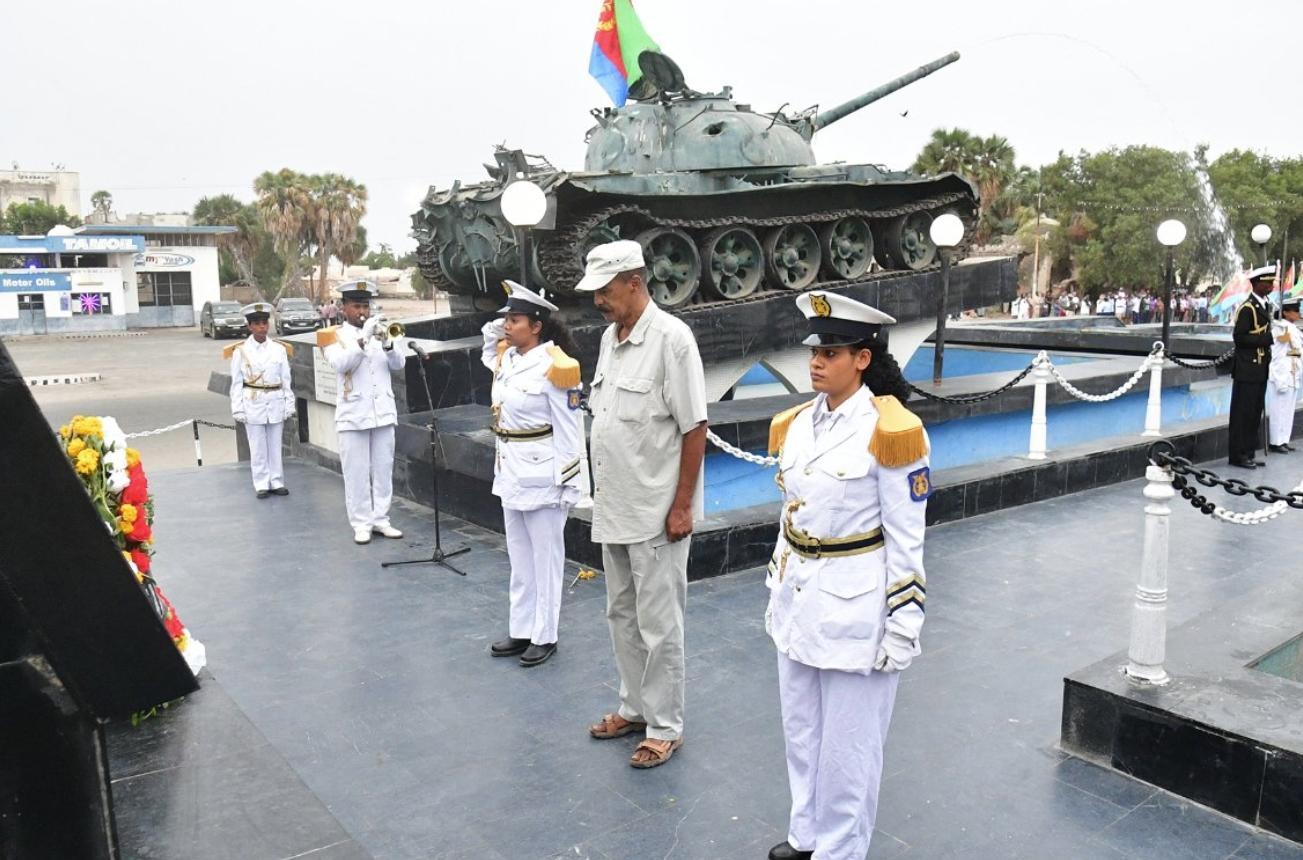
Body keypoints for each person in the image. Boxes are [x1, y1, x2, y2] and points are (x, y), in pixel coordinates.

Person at [764, 291, 929, 860]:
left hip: (858, 609)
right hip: (800, 601)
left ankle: (840, 852)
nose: (816, 361)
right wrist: (775, 584)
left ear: (863, 358)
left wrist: (903, 622)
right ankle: (806, 835)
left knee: (848, 750)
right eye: (814, 349)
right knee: (803, 733)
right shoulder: (797, 424)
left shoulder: (892, 430)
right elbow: (792, 516)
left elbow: (907, 538)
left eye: (831, 351)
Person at [576, 240, 707, 770]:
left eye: (605, 291)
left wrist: (681, 507)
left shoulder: (672, 339)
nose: (598, 302)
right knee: (621, 615)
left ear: (634, 282)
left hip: (655, 513)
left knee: (659, 624)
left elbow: (694, 427)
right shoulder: (612, 338)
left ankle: (665, 726)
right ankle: (634, 708)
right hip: (616, 507)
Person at [480, 281, 584, 668]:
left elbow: (570, 429)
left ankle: (545, 634)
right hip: (509, 470)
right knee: (520, 558)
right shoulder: (509, 359)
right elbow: (488, 344)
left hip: (544, 477)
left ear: (537, 325)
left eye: (516, 319)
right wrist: (502, 324)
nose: (507, 325)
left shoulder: (558, 367)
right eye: (507, 318)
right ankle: (521, 627)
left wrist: (570, 484)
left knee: (546, 559)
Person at [319, 280, 406, 543]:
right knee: (356, 472)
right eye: (356, 306)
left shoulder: (380, 332)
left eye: (365, 306)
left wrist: (389, 343)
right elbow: (341, 364)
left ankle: (381, 518)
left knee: (383, 468)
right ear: (343, 307)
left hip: (383, 412)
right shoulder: (332, 336)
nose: (362, 311)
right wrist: (364, 338)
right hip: (353, 413)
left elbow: (399, 364)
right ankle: (361, 523)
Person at [227, 302, 295, 498]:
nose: (262, 327)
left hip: (275, 400)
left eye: (264, 323)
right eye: (256, 323)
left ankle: (276, 480)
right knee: (257, 446)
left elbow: (286, 379)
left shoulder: (278, 349)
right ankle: (261, 483)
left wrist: (288, 403)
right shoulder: (241, 351)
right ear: (249, 326)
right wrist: (237, 408)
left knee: (275, 444)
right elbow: (237, 383)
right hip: (253, 401)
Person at [1228, 266, 1277, 469]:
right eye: (1268, 283)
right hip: (1248, 369)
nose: (1271, 286)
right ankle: (1238, 455)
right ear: (1257, 284)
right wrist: (1267, 338)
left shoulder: (1264, 306)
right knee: (1243, 413)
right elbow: (1239, 338)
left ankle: (1249, 451)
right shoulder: (1248, 308)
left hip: (1260, 368)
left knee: (1254, 412)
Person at [1267, 298, 1302, 454]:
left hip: (1292, 372)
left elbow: (1297, 351)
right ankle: (1276, 441)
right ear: (1286, 313)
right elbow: (1278, 352)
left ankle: (1284, 439)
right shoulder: (1280, 328)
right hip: (1281, 373)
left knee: (1288, 410)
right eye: (1295, 310)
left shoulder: (1293, 329)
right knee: (1279, 409)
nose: (1298, 313)